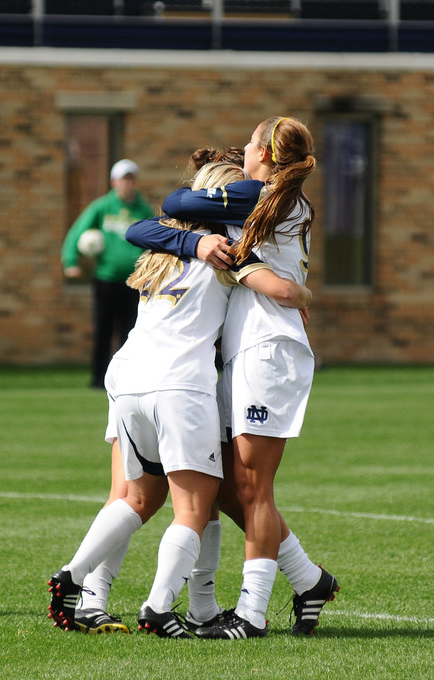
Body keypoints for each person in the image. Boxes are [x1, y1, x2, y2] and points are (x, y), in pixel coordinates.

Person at [48, 157, 312, 638]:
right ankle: (161, 607)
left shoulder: (161, 241)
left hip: (127, 373)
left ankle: (87, 592)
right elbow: (276, 290)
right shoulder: (228, 249)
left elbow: (144, 227)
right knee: (198, 505)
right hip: (180, 382)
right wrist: (299, 295)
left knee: (132, 498)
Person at [126, 117, 339, 638]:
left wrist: (291, 291)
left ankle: (251, 614)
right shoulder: (264, 198)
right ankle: (308, 580)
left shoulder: (270, 198)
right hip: (243, 351)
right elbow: (157, 222)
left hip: (269, 349)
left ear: (265, 153)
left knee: (252, 486)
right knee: (226, 485)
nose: (242, 147)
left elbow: (176, 207)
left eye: (249, 142)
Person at [60, 159, 152, 389]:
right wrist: (71, 261)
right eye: (123, 179)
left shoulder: (143, 210)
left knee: (131, 333)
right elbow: (77, 233)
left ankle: (125, 379)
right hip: (106, 280)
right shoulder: (101, 207)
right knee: (103, 330)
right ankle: (99, 379)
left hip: (135, 282)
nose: (127, 184)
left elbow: (155, 240)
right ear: (114, 182)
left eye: (131, 179)